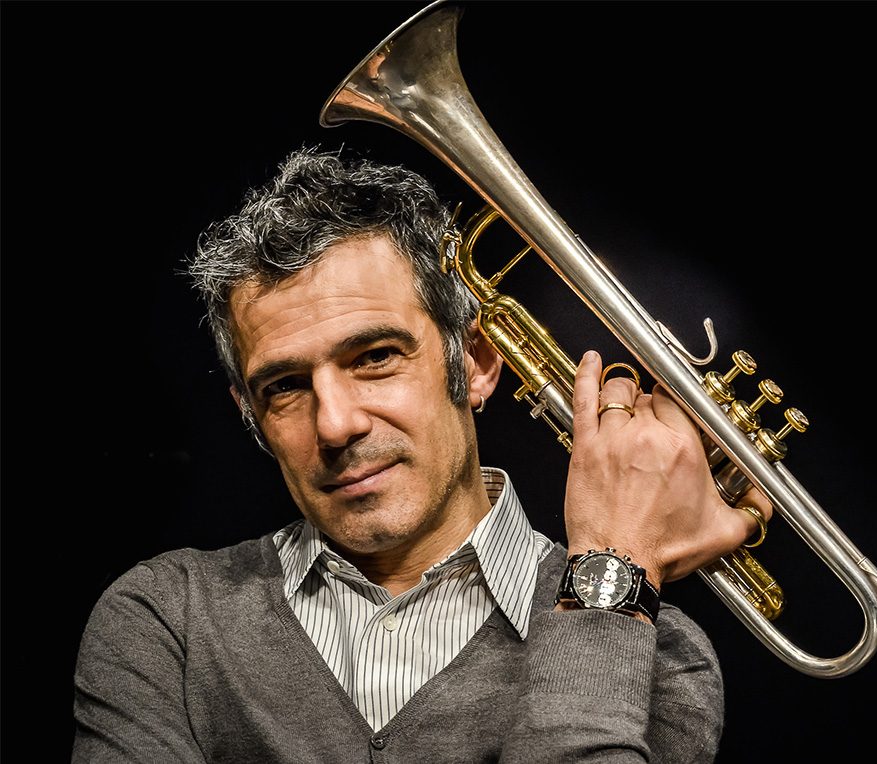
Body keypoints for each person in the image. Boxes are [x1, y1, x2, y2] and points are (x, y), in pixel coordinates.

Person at [71, 148, 771, 763]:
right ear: (250, 415)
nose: (336, 425)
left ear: (477, 360)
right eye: (284, 387)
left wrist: (609, 567)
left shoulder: (661, 654)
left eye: (375, 357)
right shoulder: (166, 620)